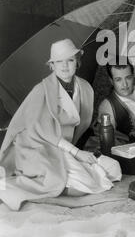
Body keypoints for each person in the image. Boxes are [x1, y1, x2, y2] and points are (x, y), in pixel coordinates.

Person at [0, 39, 121, 211]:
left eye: (70, 60)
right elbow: (41, 131)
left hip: (64, 148)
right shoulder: (41, 90)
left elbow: (81, 124)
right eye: (59, 61)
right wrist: (77, 153)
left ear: (77, 62)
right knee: (82, 186)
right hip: (38, 147)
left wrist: (79, 153)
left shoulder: (84, 87)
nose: (65, 66)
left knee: (114, 168)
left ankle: (78, 172)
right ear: (52, 65)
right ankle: (21, 187)